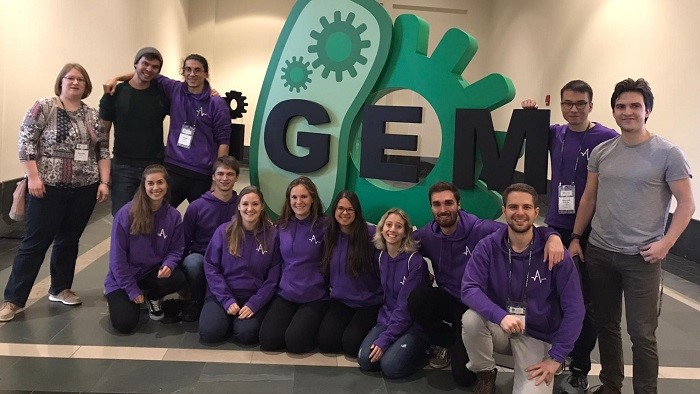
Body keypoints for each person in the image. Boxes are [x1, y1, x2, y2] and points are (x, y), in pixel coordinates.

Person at [568, 78, 695, 394]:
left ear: (647, 110)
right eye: (621, 106)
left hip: (642, 259)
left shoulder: (668, 154)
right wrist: (575, 237)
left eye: (635, 106)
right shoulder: (602, 151)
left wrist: (666, 243)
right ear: (613, 111)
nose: (628, 112)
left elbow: (687, 204)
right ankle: (611, 384)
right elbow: (588, 198)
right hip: (599, 252)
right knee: (606, 325)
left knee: (642, 334)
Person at [408, 181, 565, 387]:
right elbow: (400, 240)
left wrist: (552, 235)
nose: (443, 209)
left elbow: (520, 228)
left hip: (477, 303)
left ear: (458, 204)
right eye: (437, 204)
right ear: (431, 208)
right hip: (451, 298)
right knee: (418, 299)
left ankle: (477, 355)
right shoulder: (428, 235)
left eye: (448, 203)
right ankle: (450, 344)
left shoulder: (480, 229)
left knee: (464, 378)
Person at [523, 80, 618, 393]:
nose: (574, 109)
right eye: (568, 103)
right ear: (561, 105)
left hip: (591, 229)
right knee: (552, 294)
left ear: (591, 105)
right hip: (555, 225)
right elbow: (528, 140)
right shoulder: (555, 133)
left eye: (580, 103)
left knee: (584, 301)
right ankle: (557, 353)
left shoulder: (608, 138)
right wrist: (531, 116)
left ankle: (580, 366)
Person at [1, 63, 110, 322]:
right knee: (35, 243)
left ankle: (60, 288)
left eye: (80, 80)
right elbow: (26, 142)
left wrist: (104, 182)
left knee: (69, 240)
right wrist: (33, 177)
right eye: (70, 78)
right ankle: (13, 300)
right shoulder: (44, 107)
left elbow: (103, 151)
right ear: (60, 81)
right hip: (46, 188)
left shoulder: (92, 115)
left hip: (84, 189)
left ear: (86, 86)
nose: (75, 83)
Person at [461, 183, 584, 394]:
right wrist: (500, 316)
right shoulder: (488, 246)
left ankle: (541, 367)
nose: (519, 213)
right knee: (471, 319)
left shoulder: (556, 254)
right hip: (503, 328)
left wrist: (556, 358)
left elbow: (575, 309)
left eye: (526, 207)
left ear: (536, 212)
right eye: (513, 207)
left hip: (538, 336)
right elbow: (469, 288)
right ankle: (486, 373)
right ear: (504, 210)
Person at [105, 53, 231, 208]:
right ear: (183, 72)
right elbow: (146, 74)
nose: (192, 74)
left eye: (198, 70)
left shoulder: (216, 103)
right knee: (160, 216)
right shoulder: (174, 89)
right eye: (188, 69)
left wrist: (216, 177)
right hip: (173, 168)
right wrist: (117, 78)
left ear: (206, 73)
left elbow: (223, 142)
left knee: (202, 220)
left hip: (202, 173)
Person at [103, 165, 187, 334]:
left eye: (160, 182)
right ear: (144, 186)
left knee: (179, 277)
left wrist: (169, 264)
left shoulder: (173, 216)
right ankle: (116, 297)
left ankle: (153, 296)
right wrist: (131, 289)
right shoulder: (126, 214)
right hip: (124, 277)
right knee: (125, 324)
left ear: (167, 185)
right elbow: (117, 260)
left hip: (151, 273)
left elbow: (177, 249)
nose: (156, 188)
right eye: (150, 183)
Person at [199, 186, 281, 344]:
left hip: (253, 296)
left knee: (247, 335)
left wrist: (255, 304)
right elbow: (211, 267)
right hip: (223, 294)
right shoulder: (224, 231)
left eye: (255, 204)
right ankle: (223, 319)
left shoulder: (272, 235)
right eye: (245, 204)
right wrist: (226, 300)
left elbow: (273, 277)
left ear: (262, 206)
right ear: (238, 206)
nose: (250, 209)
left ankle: (236, 322)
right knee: (209, 333)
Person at [258, 176, 329, 353]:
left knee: (296, 343)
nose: (299, 202)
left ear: (313, 199)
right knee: (268, 341)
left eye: (304, 197)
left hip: (315, 296)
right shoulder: (280, 226)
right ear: (288, 200)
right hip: (286, 294)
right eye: (294, 197)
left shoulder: (325, 226)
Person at [357, 208, 429, 379]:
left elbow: (406, 309)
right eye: (388, 225)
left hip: (412, 324)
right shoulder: (380, 257)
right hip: (388, 319)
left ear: (405, 233)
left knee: (390, 367)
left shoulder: (415, 262)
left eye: (398, 226)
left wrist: (385, 340)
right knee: (364, 360)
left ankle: (425, 350)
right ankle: (395, 345)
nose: (392, 230)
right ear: (381, 229)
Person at [99, 47, 170, 216]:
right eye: (145, 64)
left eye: (155, 67)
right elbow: (103, 134)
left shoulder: (161, 93)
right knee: (123, 215)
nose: (149, 69)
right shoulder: (115, 93)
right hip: (123, 166)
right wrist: (104, 169)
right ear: (135, 64)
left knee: (152, 215)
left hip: (154, 165)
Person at [317, 191, 383, 357]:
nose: (345, 213)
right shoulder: (329, 233)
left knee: (351, 346)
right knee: (327, 343)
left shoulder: (371, 235)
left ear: (357, 211)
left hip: (368, 301)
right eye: (340, 208)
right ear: (334, 211)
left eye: (350, 209)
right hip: (341, 300)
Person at [181, 155, 240, 322]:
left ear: (236, 177)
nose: (224, 178)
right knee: (192, 262)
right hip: (203, 257)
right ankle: (197, 300)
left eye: (230, 174)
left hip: (232, 259)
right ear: (213, 176)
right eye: (220, 174)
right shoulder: (197, 207)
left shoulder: (242, 206)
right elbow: (185, 240)